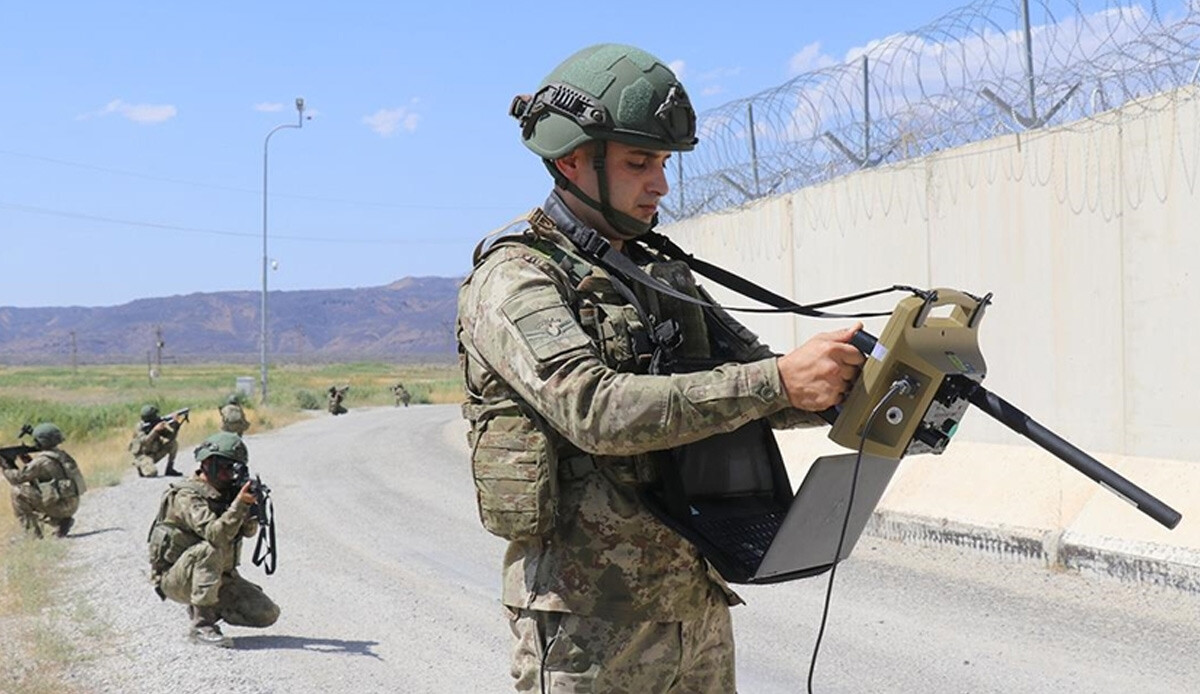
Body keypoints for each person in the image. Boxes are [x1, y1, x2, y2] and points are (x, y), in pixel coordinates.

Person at [456, 44, 865, 692]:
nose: (661, 184)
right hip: (587, 622)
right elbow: (595, 410)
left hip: (691, 600)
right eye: (639, 162)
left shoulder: (656, 274)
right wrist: (778, 381)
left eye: (664, 162)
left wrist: (854, 382)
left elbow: (757, 384)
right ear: (571, 159)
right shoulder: (516, 279)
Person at [147, 431, 279, 648]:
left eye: (234, 469)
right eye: (226, 467)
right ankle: (201, 625)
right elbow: (215, 536)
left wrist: (251, 509)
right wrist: (238, 505)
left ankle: (206, 604)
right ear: (208, 463)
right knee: (210, 548)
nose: (230, 475)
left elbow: (247, 532)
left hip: (216, 574)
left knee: (267, 613)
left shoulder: (226, 492)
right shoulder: (187, 496)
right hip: (176, 578)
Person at [2, 423, 87, 539]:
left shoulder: (41, 461)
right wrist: (28, 462)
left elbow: (17, 479)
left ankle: (33, 535)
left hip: (60, 506)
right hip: (72, 505)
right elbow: (46, 476)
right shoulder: (62, 455)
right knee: (35, 489)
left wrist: (6, 465)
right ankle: (59, 522)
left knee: (18, 492)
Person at [129, 405, 184, 477]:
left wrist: (175, 424)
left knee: (173, 444)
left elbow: (171, 437)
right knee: (152, 473)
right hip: (144, 456)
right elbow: (144, 441)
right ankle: (140, 466)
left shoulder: (156, 424)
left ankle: (170, 469)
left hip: (155, 453)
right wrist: (155, 430)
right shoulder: (139, 427)